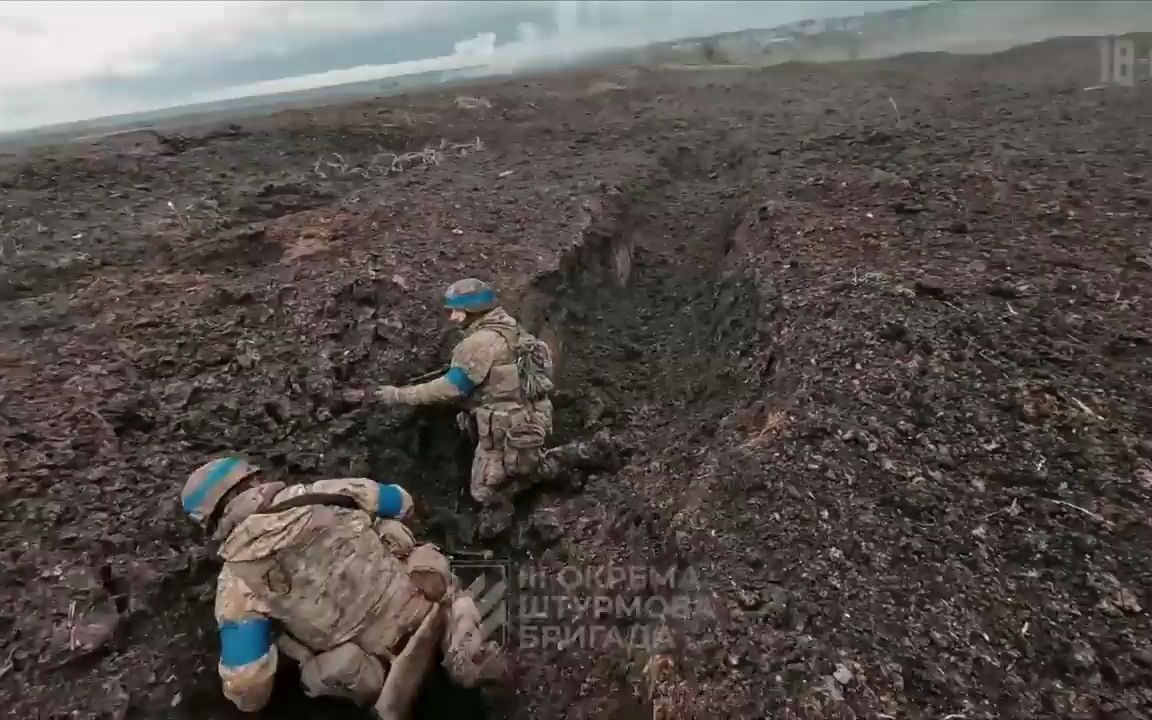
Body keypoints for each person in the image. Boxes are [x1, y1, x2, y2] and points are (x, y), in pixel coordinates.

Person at [180, 455, 506, 719]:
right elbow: (400, 501)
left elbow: (249, 686)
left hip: (379, 670)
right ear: (252, 480)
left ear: (210, 522)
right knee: (396, 535)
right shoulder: (325, 492)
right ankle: (462, 631)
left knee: (310, 670)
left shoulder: (236, 583)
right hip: (422, 606)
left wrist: (279, 639)